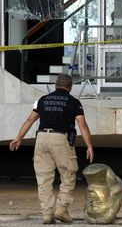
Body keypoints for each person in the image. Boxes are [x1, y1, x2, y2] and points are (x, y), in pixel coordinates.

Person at [9, 74, 94, 224]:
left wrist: (19, 138)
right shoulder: (74, 102)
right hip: (60, 138)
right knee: (68, 174)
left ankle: (47, 214)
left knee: (44, 179)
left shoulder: (42, 100)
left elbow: (30, 119)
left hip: (41, 138)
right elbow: (82, 124)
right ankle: (61, 209)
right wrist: (89, 146)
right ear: (70, 87)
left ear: (55, 85)